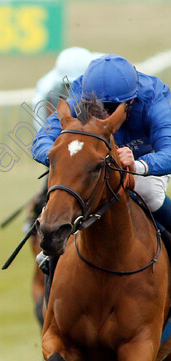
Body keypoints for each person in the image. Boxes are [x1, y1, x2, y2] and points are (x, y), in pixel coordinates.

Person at [32, 54, 171, 235]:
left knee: (149, 193)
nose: (104, 115)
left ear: (130, 101)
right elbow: (43, 138)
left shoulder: (155, 99)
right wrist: (61, 157)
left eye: (111, 108)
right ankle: (52, 256)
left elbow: (168, 152)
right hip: (98, 157)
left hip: (146, 156)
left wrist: (138, 165)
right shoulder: (80, 93)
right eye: (96, 107)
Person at [31, 47, 103, 131]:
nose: (75, 89)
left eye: (81, 83)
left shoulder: (105, 69)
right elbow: (43, 128)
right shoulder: (46, 90)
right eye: (69, 85)